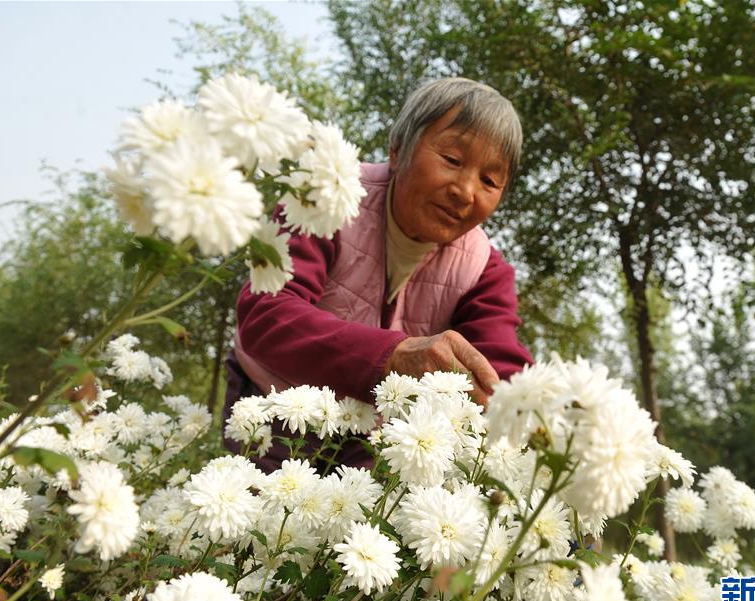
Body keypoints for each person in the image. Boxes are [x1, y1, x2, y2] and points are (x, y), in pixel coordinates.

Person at [223, 77, 533, 472]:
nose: (466, 190)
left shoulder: (483, 267)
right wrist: (394, 356)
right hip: (274, 403)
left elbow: (498, 370)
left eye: (490, 180)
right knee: (262, 521)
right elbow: (267, 314)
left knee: (357, 525)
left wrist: (547, 417)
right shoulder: (325, 196)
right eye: (452, 160)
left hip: (372, 431)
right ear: (398, 149)